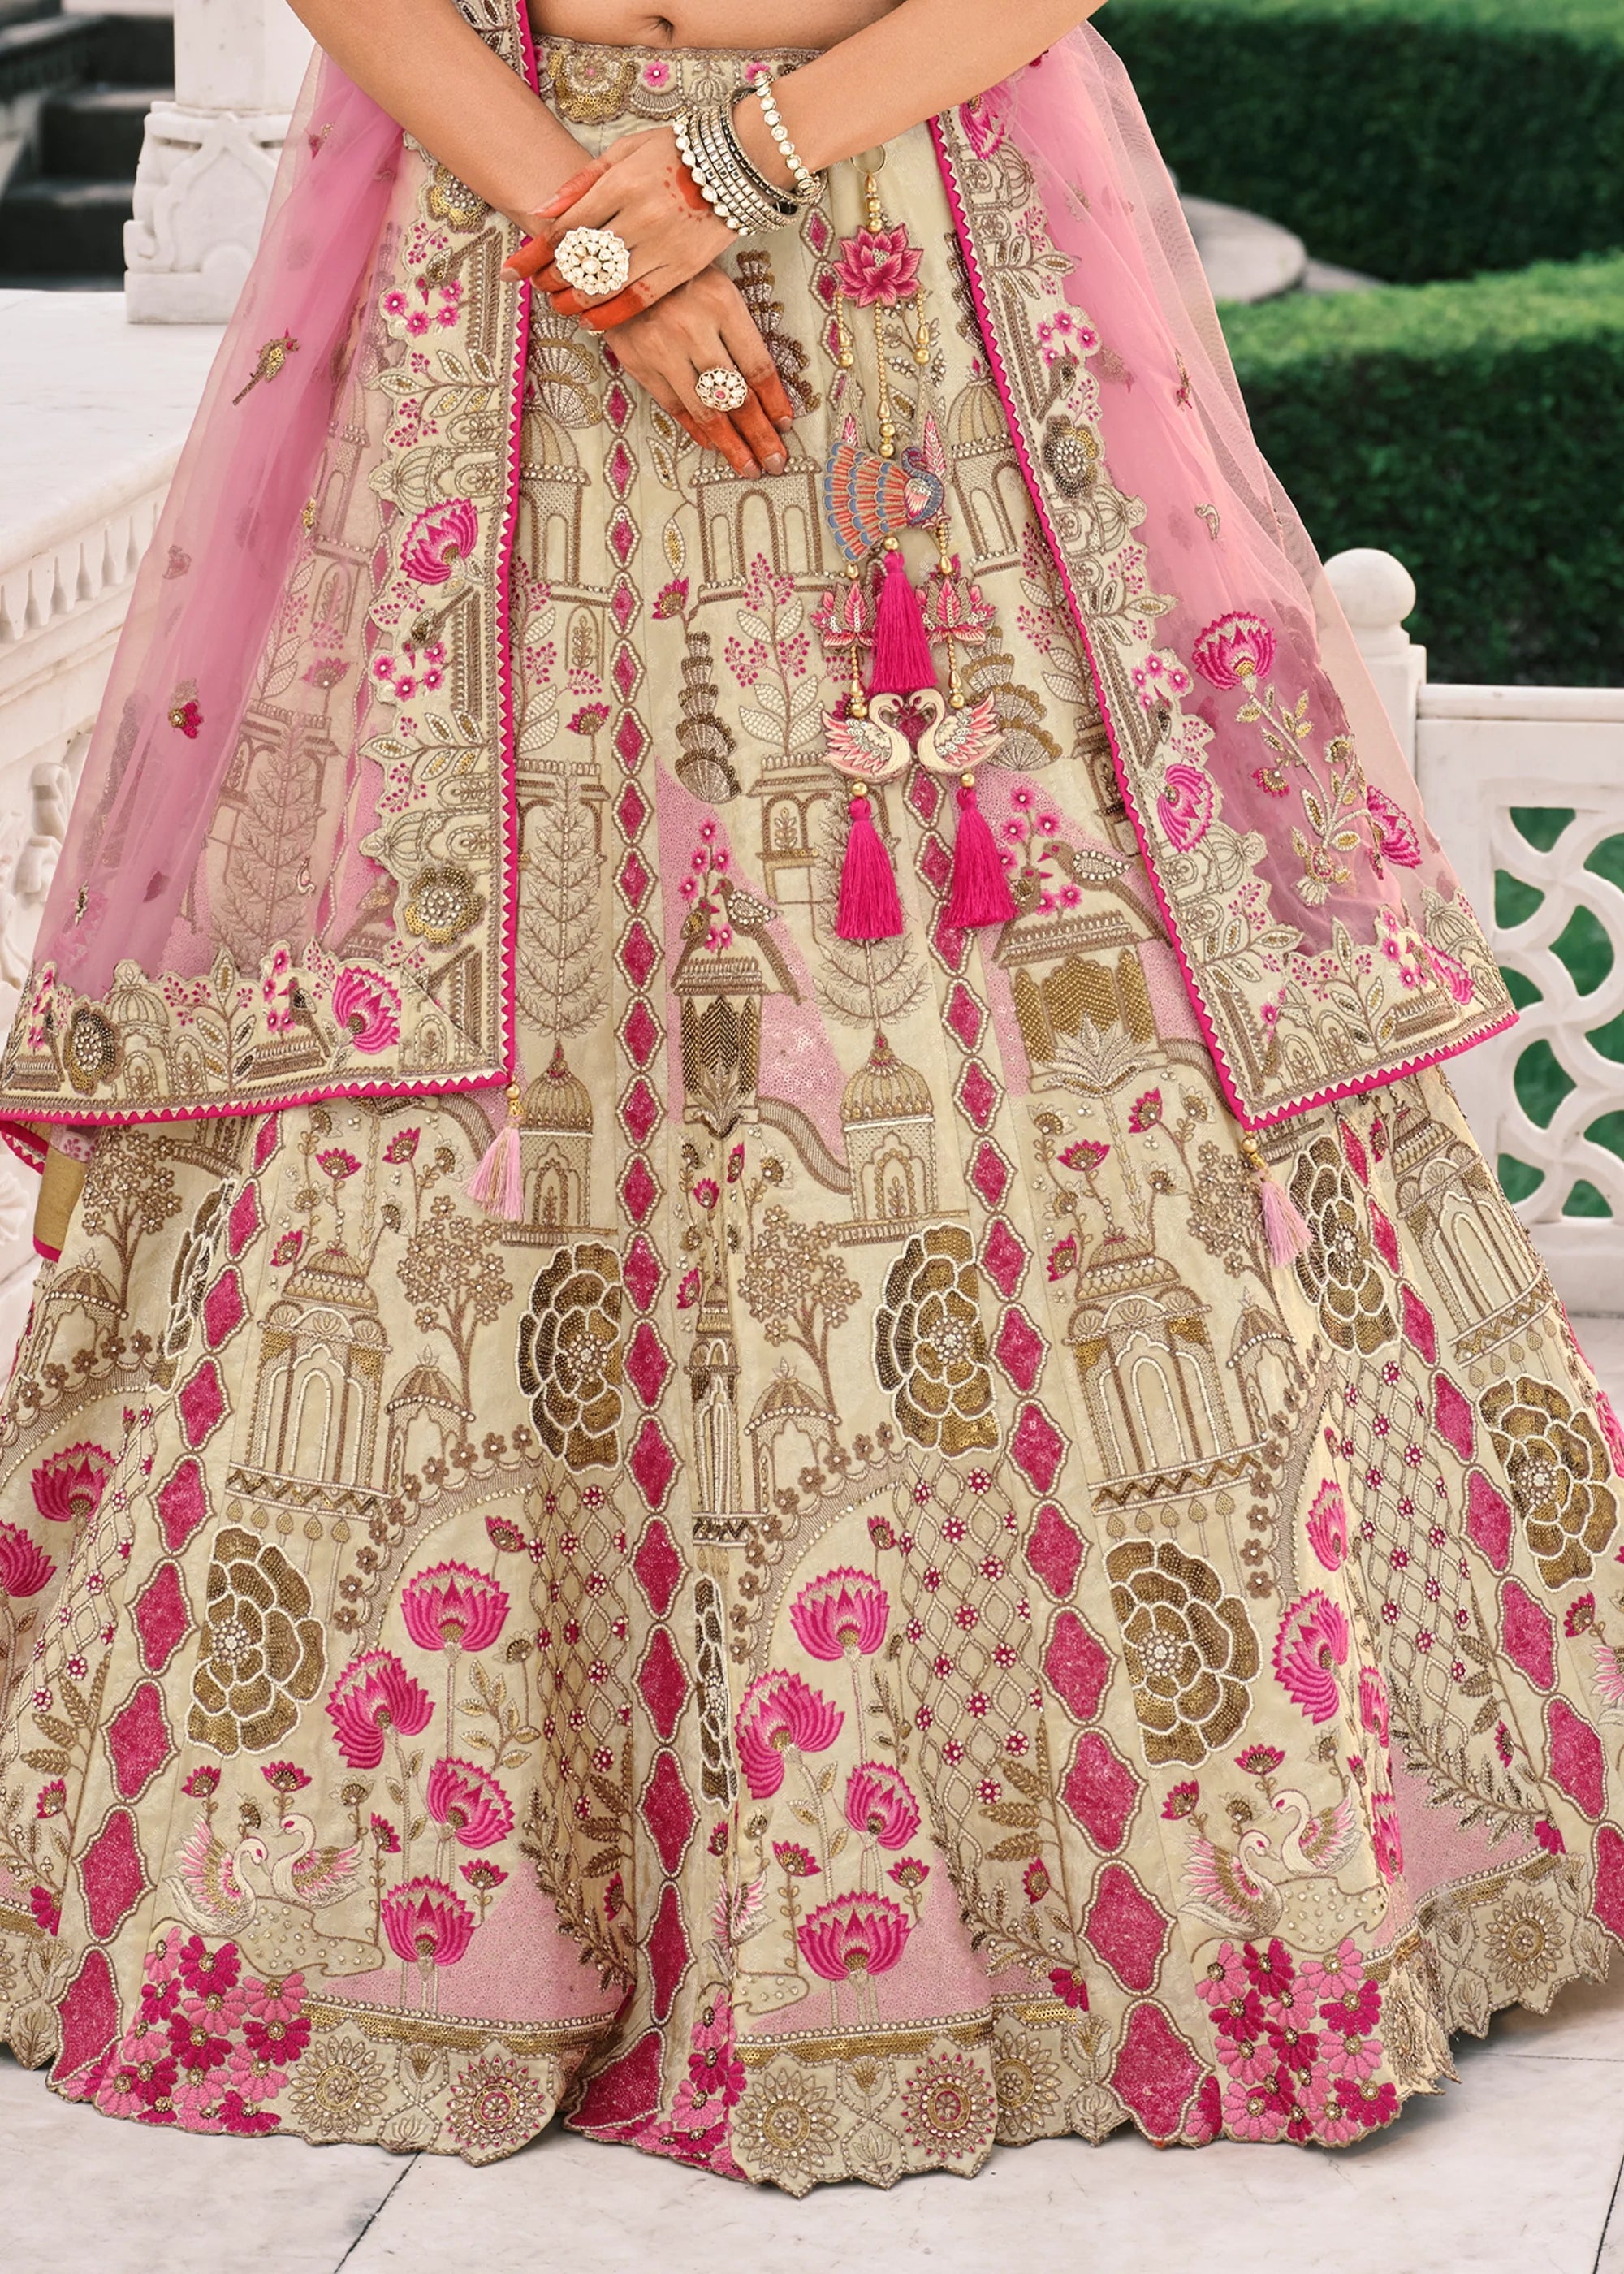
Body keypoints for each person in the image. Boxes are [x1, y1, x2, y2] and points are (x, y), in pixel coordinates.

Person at [0, 0, 1614, 2190]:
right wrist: (601, 238)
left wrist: (723, 174)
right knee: (462, 958)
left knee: (1005, 963)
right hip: (514, 280)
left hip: (894, 264)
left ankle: (1085, 1861)